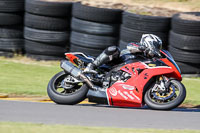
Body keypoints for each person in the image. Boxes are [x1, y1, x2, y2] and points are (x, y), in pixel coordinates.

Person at [84, 34, 163, 73]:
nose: (157, 49)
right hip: (115, 63)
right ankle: (92, 65)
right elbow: (129, 46)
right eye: (157, 46)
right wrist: (144, 48)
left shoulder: (148, 60)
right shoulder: (140, 47)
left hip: (123, 73)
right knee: (114, 49)